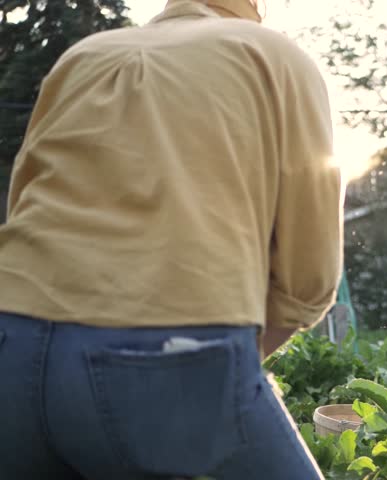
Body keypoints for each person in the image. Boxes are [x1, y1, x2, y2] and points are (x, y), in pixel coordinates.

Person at [0, 1, 341, 479]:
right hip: (167, 343)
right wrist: (230, 362)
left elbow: (25, 196)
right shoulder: (273, 55)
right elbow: (311, 269)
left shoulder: (83, 55)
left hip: (11, 335)